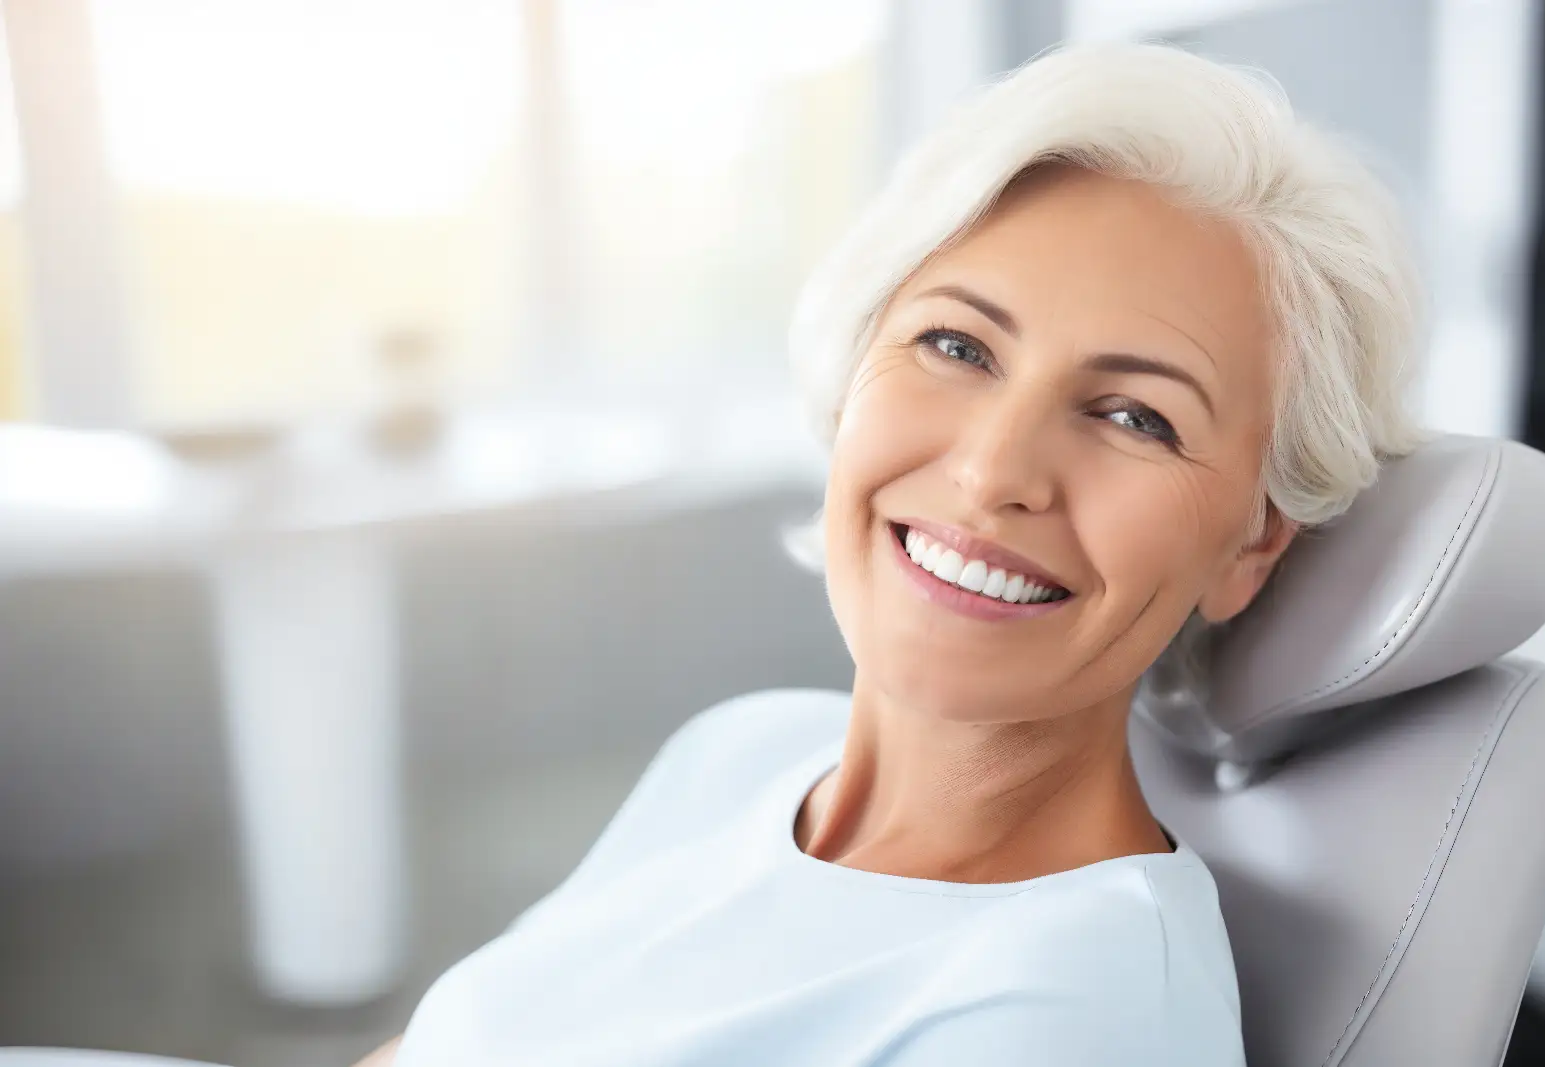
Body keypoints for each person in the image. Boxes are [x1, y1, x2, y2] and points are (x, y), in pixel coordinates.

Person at [356, 41, 1422, 1066]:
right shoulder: (744, 752)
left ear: (1253, 543)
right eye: (957, 346)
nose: (992, 469)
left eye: (1136, 416)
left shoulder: (1074, 1011)